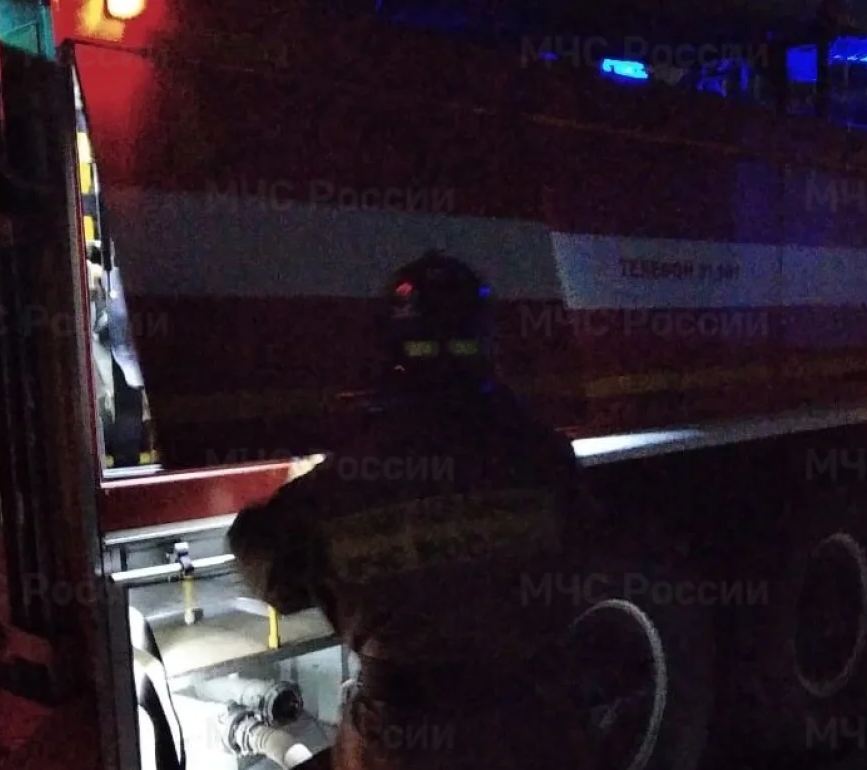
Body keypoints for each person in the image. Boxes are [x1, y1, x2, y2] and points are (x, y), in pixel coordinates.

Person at [228, 251, 596, 770]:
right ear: (486, 343)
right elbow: (585, 561)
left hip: (401, 741)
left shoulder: (347, 480)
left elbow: (268, 571)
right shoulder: (544, 457)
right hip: (527, 727)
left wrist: (301, 490)